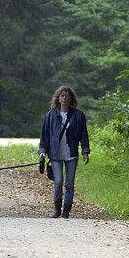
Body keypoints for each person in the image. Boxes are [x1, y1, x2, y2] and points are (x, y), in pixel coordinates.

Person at [38, 85, 90, 219]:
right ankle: (56, 209)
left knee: (69, 183)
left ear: (71, 98)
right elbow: (45, 135)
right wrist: (42, 151)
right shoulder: (50, 115)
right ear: (58, 98)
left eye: (67, 96)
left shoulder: (78, 116)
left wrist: (85, 151)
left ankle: (67, 210)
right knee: (58, 181)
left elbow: (83, 134)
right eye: (62, 96)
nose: (64, 98)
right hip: (55, 154)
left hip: (71, 153)